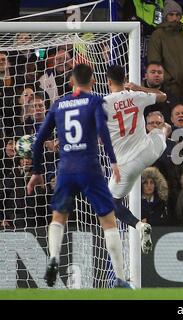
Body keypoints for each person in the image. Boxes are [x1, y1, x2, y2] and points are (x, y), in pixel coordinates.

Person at [26, 64, 130, 288]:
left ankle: (53, 257)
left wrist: (36, 171)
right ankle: (121, 279)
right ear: (93, 81)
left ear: (72, 81)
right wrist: (113, 161)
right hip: (89, 168)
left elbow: (38, 141)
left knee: (58, 217)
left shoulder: (58, 104)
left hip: (65, 169)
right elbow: (103, 131)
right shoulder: (94, 102)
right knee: (109, 221)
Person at [103, 65, 168, 254]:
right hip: (148, 152)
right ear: (125, 80)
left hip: (126, 165)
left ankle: (139, 226)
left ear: (108, 82)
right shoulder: (136, 96)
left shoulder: (103, 104)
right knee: (163, 128)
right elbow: (163, 97)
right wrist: (139, 88)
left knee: (111, 203)